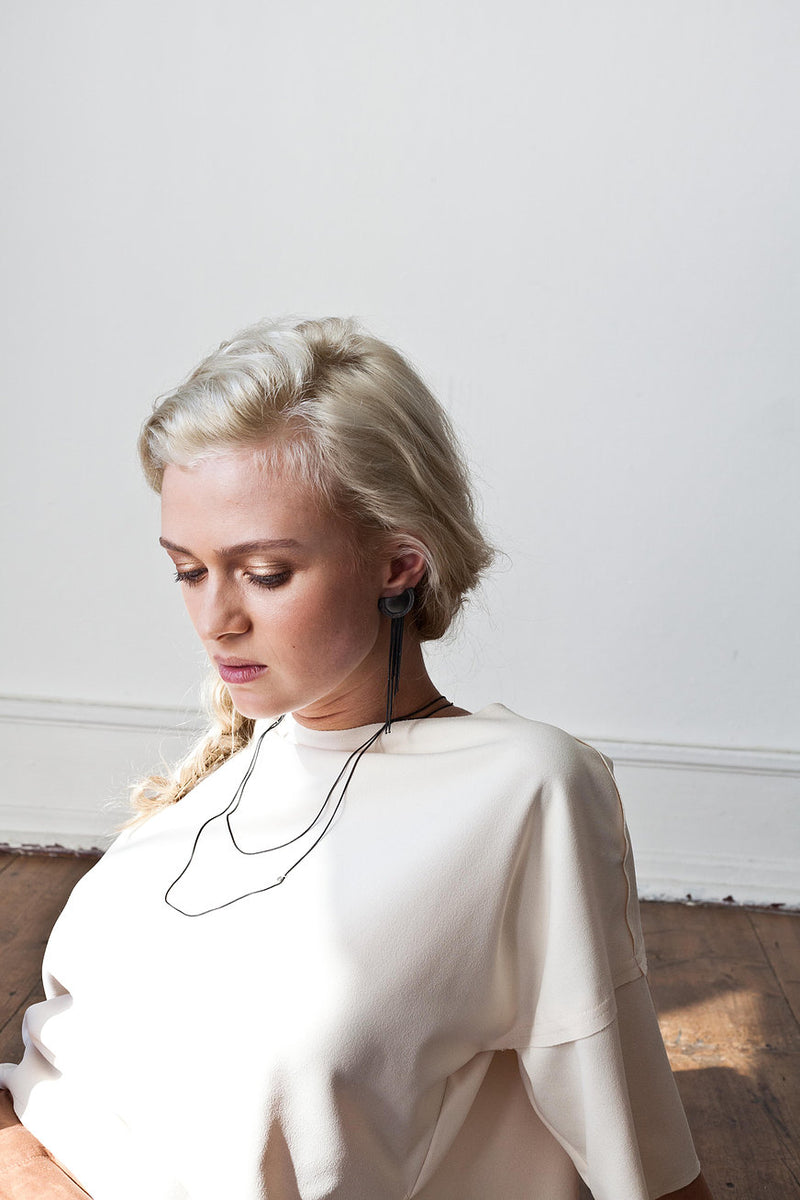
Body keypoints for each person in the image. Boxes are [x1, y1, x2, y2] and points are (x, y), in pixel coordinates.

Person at [0, 317, 713, 1199]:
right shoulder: (206, 799)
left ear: (398, 564)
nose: (216, 620)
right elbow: (41, 1077)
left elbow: (630, 1138)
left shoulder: (525, 790)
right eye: (188, 570)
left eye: (264, 573)